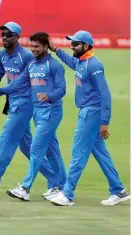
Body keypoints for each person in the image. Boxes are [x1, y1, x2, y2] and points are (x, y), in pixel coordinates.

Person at [0, 24, 64, 199]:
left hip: (26, 105)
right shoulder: (2, 55)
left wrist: (49, 97)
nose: (4, 37)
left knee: (6, 143)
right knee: (27, 146)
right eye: (2, 34)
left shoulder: (26, 56)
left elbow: (33, 80)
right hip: (14, 103)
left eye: (8, 35)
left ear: (17, 37)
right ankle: (55, 179)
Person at [47, 30, 130, 206]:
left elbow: (105, 95)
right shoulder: (81, 61)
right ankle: (119, 190)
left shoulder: (94, 65)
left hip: (92, 113)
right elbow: (71, 61)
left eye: (76, 44)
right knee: (100, 152)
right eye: (72, 43)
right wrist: (56, 49)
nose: (72, 46)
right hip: (86, 111)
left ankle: (67, 194)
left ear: (86, 46)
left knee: (78, 152)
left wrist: (105, 122)